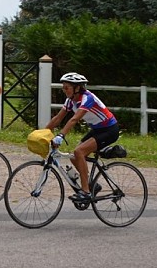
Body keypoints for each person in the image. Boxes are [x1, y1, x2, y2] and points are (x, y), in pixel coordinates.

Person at [46, 72, 119, 202]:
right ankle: (92, 186)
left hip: (109, 130)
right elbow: (57, 118)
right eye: (63, 87)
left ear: (77, 88)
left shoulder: (87, 98)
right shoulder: (70, 101)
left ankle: (86, 192)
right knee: (75, 156)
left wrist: (61, 135)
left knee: (79, 151)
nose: (64, 90)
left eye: (66, 87)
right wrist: (42, 133)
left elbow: (75, 119)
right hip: (97, 129)